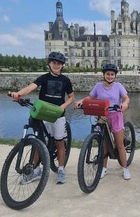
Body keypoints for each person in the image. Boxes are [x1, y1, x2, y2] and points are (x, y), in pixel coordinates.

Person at [9, 52, 75, 184]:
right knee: (39, 143)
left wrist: (62, 107)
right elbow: (30, 88)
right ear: (49, 63)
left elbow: (71, 97)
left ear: (62, 66)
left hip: (57, 115)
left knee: (59, 142)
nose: (56, 65)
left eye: (59, 63)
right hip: (43, 114)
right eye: (54, 62)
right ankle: (36, 170)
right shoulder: (44, 78)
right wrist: (18, 94)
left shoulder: (65, 80)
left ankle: (60, 169)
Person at [74, 63, 132, 180]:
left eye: (112, 74)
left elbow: (126, 98)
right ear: (104, 75)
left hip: (115, 115)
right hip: (102, 116)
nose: (109, 76)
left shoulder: (118, 86)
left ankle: (125, 168)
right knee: (103, 144)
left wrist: (124, 104)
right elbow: (90, 98)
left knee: (119, 144)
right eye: (107, 74)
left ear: (115, 76)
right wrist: (81, 101)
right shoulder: (98, 86)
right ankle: (104, 168)